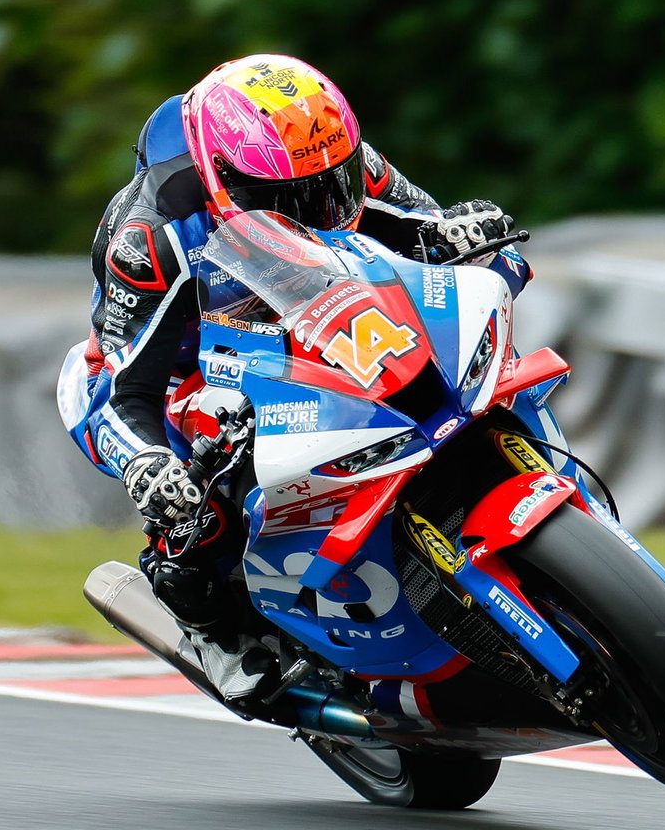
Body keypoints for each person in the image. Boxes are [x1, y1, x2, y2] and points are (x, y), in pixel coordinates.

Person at [57, 53, 527, 702]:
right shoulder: (154, 236)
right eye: (290, 201)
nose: (319, 209)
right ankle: (212, 630)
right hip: (178, 372)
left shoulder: (334, 157)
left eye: (331, 187)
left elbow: (429, 232)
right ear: (225, 179)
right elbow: (121, 392)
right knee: (200, 488)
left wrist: (467, 236)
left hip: (317, 309)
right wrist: (146, 466)